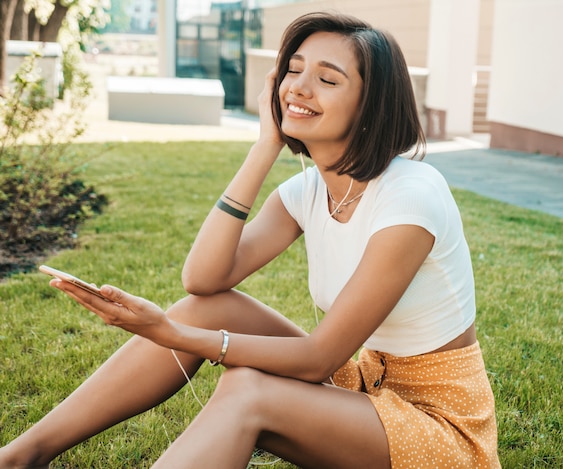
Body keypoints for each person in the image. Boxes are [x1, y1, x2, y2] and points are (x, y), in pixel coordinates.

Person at [0, 11, 500, 469]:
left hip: (439, 425)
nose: (299, 88)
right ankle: (22, 456)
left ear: (372, 106)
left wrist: (170, 334)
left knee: (247, 390)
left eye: (326, 79)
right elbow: (203, 279)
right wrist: (265, 147)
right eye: (294, 71)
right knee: (206, 309)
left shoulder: (411, 196)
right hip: (363, 386)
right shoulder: (309, 191)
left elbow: (319, 359)